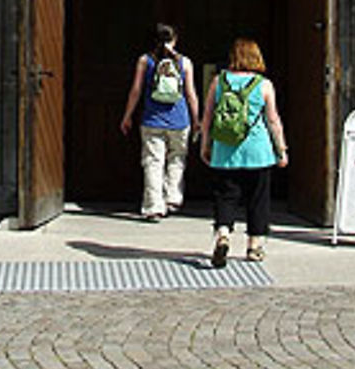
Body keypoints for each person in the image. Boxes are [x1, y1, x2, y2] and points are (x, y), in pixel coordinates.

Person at [200, 37, 289, 266]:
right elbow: (273, 120)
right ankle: (255, 246)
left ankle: (223, 235)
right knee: (258, 199)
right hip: (257, 151)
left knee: (225, 196)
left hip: (224, 150)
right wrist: (281, 150)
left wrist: (205, 145)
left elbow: (207, 116)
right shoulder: (264, 84)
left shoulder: (219, 81)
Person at [120, 23, 200, 221]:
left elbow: (136, 91)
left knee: (153, 162)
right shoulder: (184, 62)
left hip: (152, 120)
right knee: (177, 158)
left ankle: (154, 206)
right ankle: (173, 197)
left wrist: (127, 115)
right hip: (180, 120)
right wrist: (196, 119)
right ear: (176, 39)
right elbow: (190, 94)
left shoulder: (145, 61)